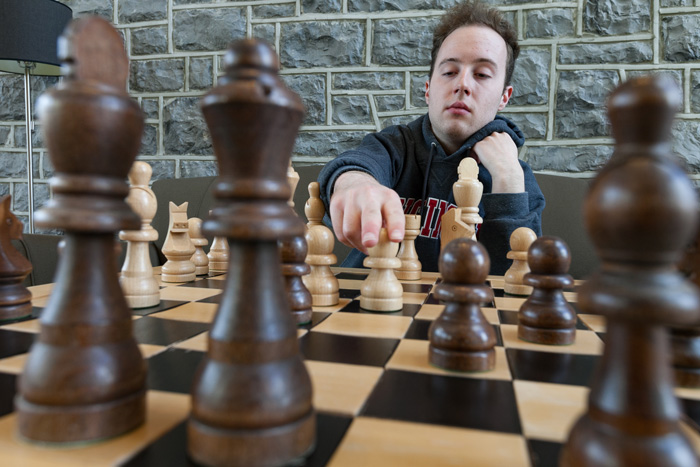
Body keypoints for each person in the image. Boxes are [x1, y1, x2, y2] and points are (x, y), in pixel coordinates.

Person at [317, 0, 545, 275]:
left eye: (482, 74)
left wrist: (508, 180)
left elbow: (519, 282)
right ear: (428, 90)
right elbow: (357, 163)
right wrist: (354, 183)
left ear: (504, 97)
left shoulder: (517, 178)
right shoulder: (396, 146)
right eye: (449, 72)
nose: (462, 84)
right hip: (374, 309)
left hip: (464, 315)